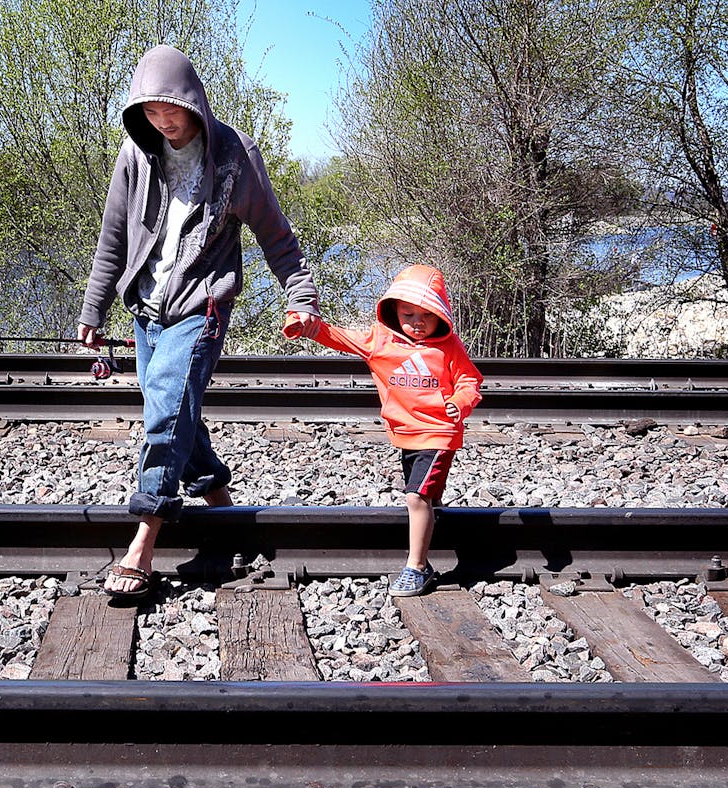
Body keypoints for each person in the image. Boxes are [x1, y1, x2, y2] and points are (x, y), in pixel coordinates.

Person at [77, 44, 321, 600]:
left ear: (194, 102)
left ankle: (143, 540)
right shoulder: (136, 155)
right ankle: (227, 516)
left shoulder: (235, 156)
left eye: (172, 110)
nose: (164, 122)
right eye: (151, 112)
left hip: (201, 308)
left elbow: (276, 236)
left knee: (164, 409)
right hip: (145, 308)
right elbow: (113, 238)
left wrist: (301, 295)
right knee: (175, 410)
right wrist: (94, 308)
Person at [285, 264, 482, 597]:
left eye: (426, 315)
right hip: (405, 432)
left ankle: (416, 568)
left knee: (415, 496)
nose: (417, 322)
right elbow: (342, 338)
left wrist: (460, 403)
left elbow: (470, 380)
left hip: (438, 431)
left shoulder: (448, 347)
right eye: (408, 313)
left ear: (440, 315)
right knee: (427, 497)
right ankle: (431, 534)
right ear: (394, 310)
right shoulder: (381, 341)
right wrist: (309, 326)